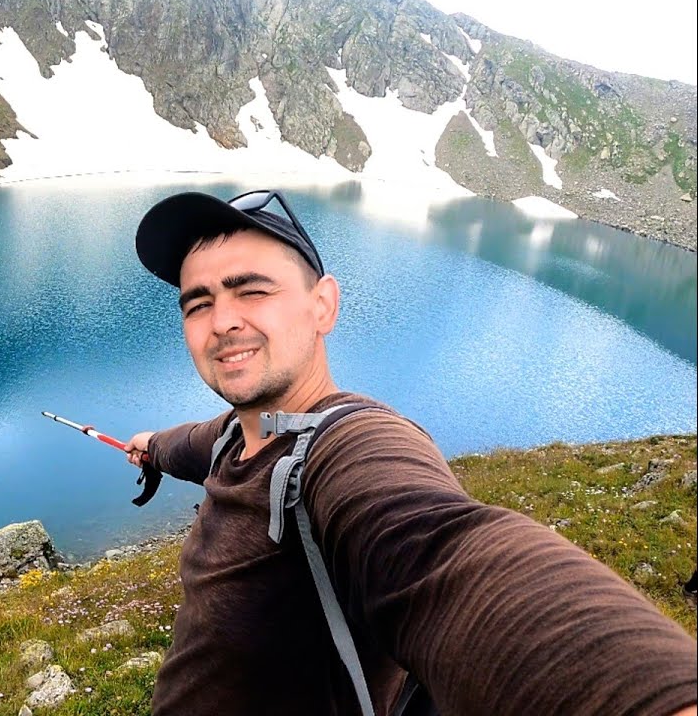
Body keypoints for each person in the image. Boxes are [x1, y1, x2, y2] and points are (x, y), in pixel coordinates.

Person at [124, 189, 697, 716]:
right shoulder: (233, 434)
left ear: (323, 306)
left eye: (252, 291)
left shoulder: (347, 445)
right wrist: (150, 447)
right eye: (198, 304)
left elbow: (437, 548)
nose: (223, 321)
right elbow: (188, 445)